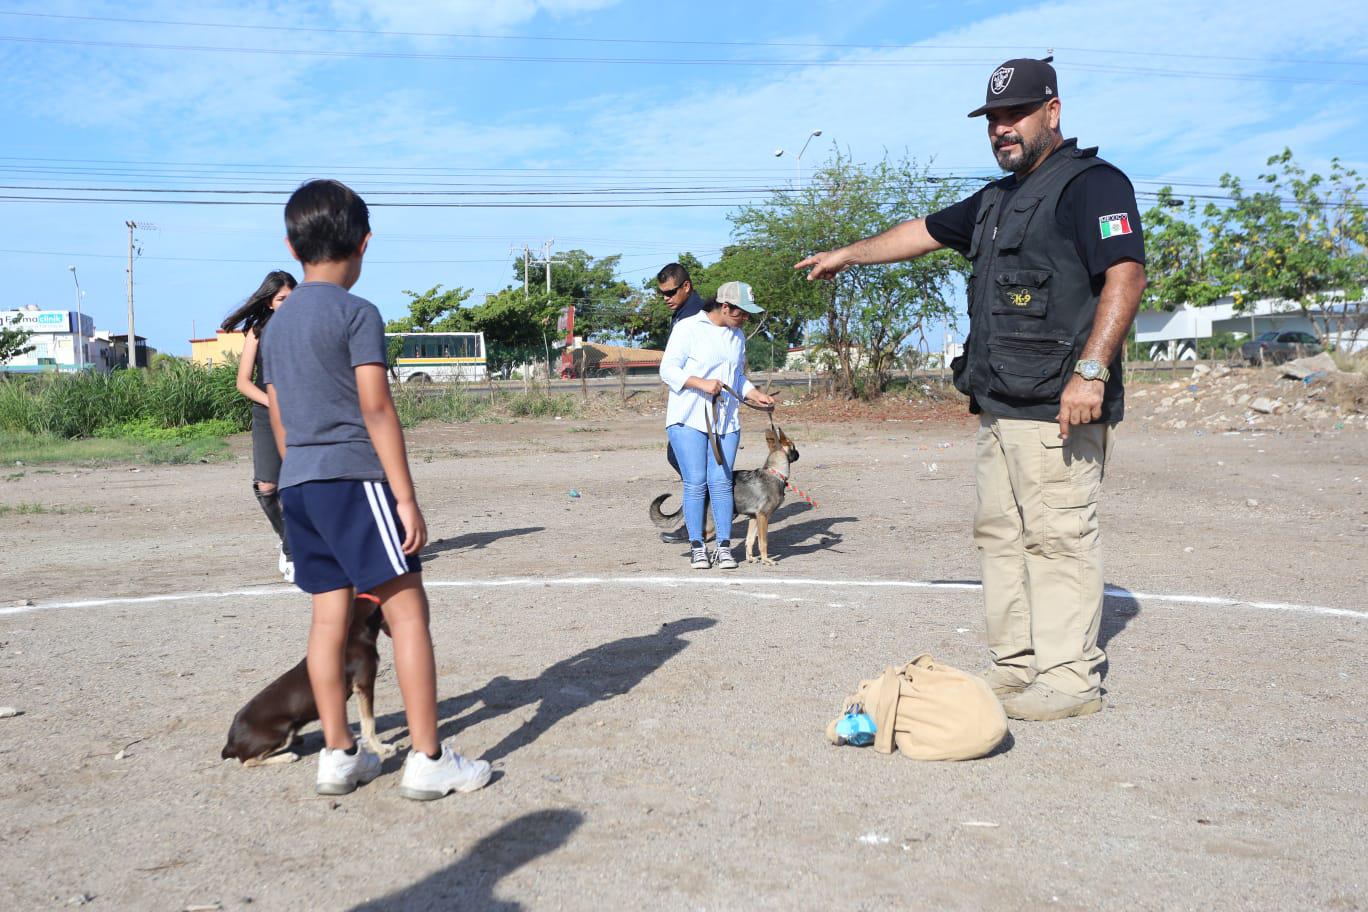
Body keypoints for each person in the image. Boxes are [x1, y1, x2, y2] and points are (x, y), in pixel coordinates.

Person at [796, 57, 1146, 722]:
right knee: (1001, 536)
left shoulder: (1093, 185)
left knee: (1059, 537)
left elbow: (1125, 276)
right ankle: (1017, 667)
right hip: (1000, 404)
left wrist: (1093, 371)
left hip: (1060, 407)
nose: (1002, 129)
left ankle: (1070, 680)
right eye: (993, 120)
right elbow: (920, 233)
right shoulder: (995, 200)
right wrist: (847, 253)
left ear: (1053, 111)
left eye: (1014, 115)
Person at [261, 179, 491, 798]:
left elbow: (279, 417)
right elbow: (377, 408)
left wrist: (297, 475)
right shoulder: (357, 313)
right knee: (408, 613)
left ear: (291, 244)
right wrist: (406, 496)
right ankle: (428, 758)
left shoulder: (276, 326)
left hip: (299, 483)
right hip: (354, 481)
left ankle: (338, 755)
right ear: (364, 244)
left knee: (327, 619)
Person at [659, 281, 775, 570]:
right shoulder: (688, 328)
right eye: (741, 313)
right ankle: (698, 546)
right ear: (725, 307)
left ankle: (724, 546)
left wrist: (754, 394)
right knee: (696, 482)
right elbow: (668, 370)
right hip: (689, 417)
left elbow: (735, 376)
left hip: (726, 419)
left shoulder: (737, 336)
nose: (745, 319)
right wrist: (701, 383)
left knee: (722, 482)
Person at [222, 270, 297, 582]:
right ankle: (288, 539)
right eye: (282, 299)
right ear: (269, 302)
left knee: (297, 487)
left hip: (300, 414)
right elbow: (243, 382)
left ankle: (295, 552)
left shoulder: (305, 328)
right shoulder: (257, 331)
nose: (288, 304)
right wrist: (272, 402)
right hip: (267, 414)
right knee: (266, 487)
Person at [655, 263, 707, 544]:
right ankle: (704, 514)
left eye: (671, 291)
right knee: (680, 459)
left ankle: (699, 522)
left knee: (692, 466)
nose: (666, 297)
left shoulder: (698, 316)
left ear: (686, 286)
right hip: (685, 401)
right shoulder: (682, 313)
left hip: (699, 402)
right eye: (662, 293)